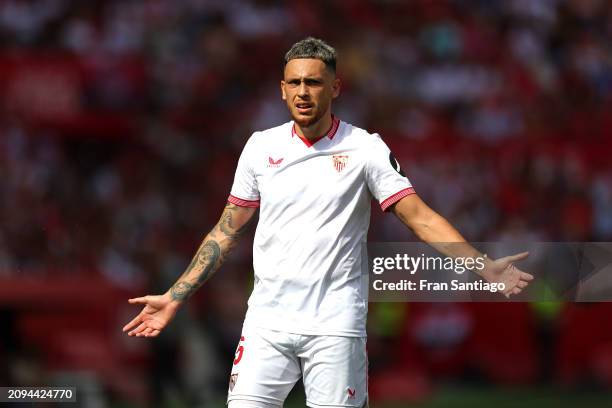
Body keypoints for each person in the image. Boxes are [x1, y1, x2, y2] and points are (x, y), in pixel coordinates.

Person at [122, 37, 533, 408]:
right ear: (282, 90)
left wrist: (482, 265)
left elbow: (419, 216)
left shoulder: (365, 149)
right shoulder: (260, 147)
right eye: (295, 83)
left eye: (314, 83)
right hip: (267, 322)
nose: (303, 92)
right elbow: (227, 230)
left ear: (334, 88)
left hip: (335, 325)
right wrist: (175, 296)